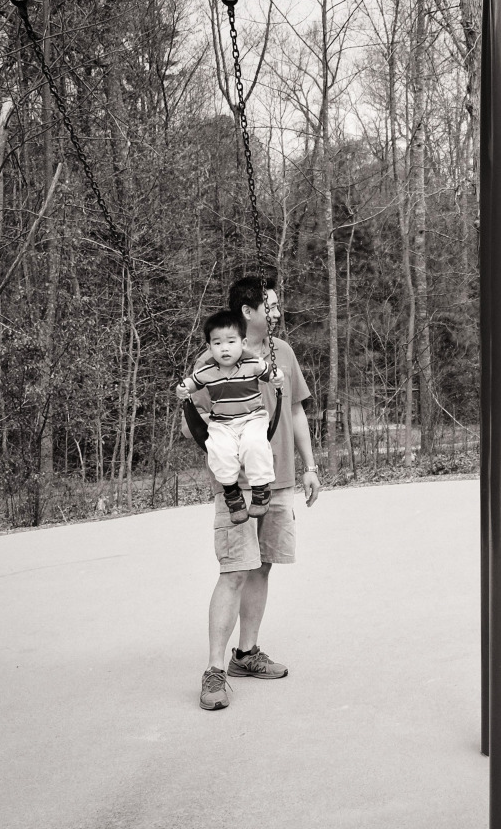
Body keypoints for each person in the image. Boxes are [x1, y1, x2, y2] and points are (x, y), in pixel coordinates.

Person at [182, 277, 321, 711]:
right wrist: (221, 451)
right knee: (234, 571)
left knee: (261, 567)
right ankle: (214, 670)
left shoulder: (284, 354)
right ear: (248, 311)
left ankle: (247, 653)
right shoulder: (215, 357)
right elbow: (194, 418)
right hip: (236, 488)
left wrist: (310, 466)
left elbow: (296, 409)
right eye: (270, 305)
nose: (276, 312)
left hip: (277, 481)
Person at [177, 310, 284, 525]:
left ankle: (261, 490)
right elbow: (188, 384)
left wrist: (277, 377)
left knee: (254, 445)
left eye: (231, 341)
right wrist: (181, 389)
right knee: (219, 450)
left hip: (253, 418)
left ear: (243, 343)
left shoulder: (252, 363)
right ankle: (232, 493)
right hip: (222, 423)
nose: (224, 348)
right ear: (209, 348)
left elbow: (272, 373)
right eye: (217, 343)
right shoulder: (206, 370)